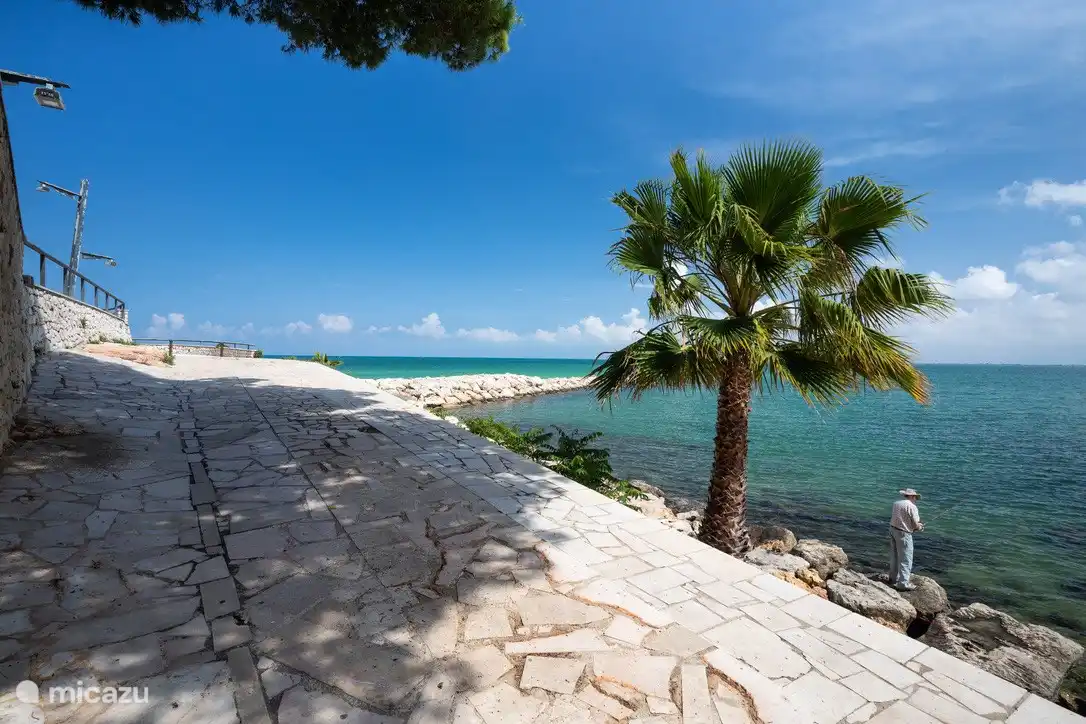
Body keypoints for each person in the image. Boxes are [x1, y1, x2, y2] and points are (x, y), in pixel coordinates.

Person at [889, 488, 924, 591]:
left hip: (892, 530)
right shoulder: (912, 507)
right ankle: (903, 584)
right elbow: (915, 524)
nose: (916, 499)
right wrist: (920, 527)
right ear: (912, 496)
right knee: (906, 559)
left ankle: (893, 578)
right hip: (903, 534)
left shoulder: (896, 503)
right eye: (915, 497)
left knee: (894, 556)